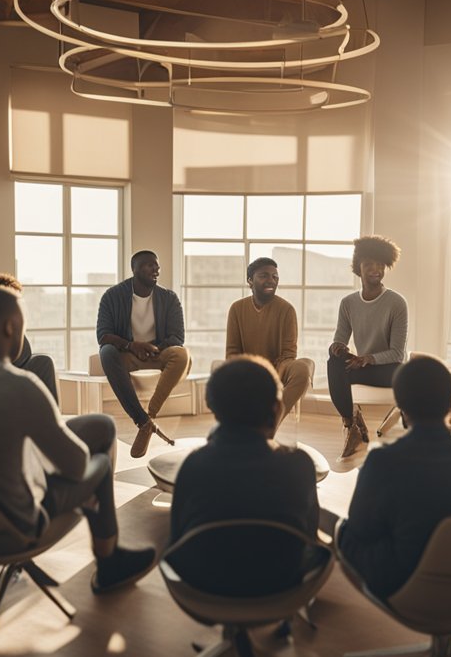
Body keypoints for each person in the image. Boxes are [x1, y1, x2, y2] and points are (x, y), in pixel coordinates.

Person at [0, 286, 156, 593]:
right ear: (9, 327)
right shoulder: (20, 385)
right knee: (99, 463)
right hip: (13, 527)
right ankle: (109, 562)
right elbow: (76, 466)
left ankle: (103, 543)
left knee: (100, 425)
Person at [338, 355, 451, 599]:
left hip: (414, 591)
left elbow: (361, 534)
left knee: (343, 530)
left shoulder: (383, 462)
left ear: (401, 407)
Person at [169, 356, 321, 595]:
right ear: (276, 408)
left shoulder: (194, 465)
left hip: (204, 584)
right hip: (283, 581)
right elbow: (310, 537)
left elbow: (176, 537)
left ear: (214, 408)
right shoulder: (299, 465)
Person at [96, 251, 190, 458]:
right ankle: (142, 421)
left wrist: (154, 348)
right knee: (107, 352)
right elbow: (103, 336)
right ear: (134, 269)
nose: (155, 269)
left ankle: (148, 417)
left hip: (159, 352)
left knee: (182, 354)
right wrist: (131, 345)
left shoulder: (169, 298)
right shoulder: (112, 296)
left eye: (156, 265)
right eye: (149, 265)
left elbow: (178, 336)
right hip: (128, 354)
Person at [327, 236, 408, 458]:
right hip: (362, 366)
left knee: (398, 368)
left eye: (380, 264)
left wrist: (369, 358)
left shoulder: (396, 303)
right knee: (333, 361)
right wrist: (338, 347)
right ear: (358, 268)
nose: (375, 269)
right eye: (369, 264)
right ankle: (350, 425)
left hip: (390, 369)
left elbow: (397, 353)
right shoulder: (348, 303)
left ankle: (353, 426)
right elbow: (340, 338)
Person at [225, 257, 313, 432]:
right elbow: (232, 352)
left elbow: (288, 354)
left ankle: (269, 425)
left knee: (302, 369)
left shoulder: (287, 310)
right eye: (264, 276)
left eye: (275, 277)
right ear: (250, 280)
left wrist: (269, 377)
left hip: (279, 369)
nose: (271, 280)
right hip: (247, 372)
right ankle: (236, 431)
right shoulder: (236, 308)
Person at [0, 273, 58, 402]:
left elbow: (24, 355)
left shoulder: (9, 324)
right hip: (0, 375)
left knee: (44, 361)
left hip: (15, 370)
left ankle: (53, 414)